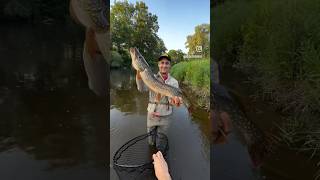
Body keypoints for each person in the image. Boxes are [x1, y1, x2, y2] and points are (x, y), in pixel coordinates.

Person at [136, 54, 182, 145]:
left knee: (161, 142)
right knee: (150, 140)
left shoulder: (174, 82)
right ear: (158, 64)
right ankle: (152, 153)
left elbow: (173, 102)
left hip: (166, 117)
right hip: (151, 115)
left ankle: (160, 156)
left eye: (167, 63)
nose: (164, 65)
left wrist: (176, 102)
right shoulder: (150, 76)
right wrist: (138, 73)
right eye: (162, 63)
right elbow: (141, 89)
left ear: (170, 65)